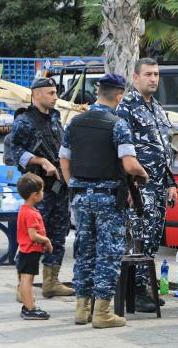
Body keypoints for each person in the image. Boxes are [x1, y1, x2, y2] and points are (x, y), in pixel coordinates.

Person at [59, 74, 149, 328]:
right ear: (119, 97)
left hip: (80, 197)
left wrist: (72, 184)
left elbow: (64, 158)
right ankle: (102, 313)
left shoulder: (74, 122)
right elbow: (130, 164)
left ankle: (81, 309)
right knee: (108, 254)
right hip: (108, 199)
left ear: (99, 93)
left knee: (85, 251)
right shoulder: (117, 124)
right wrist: (144, 173)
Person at [116, 58, 177, 313]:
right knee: (138, 239)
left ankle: (145, 287)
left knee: (152, 238)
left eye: (156, 74)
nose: (153, 79)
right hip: (139, 189)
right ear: (135, 77)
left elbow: (165, 150)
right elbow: (121, 151)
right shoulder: (126, 108)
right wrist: (129, 187)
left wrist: (171, 182)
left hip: (158, 187)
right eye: (148, 74)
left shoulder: (159, 109)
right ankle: (137, 291)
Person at [10, 77, 74, 298]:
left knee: (57, 235)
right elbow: (13, 152)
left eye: (55, 92)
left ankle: (51, 281)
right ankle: (24, 284)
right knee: (33, 238)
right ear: (36, 95)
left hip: (59, 188)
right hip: (38, 191)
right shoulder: (25, 121)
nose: (55, 97)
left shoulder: (56, 118)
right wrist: (40, 161)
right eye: (51, 93)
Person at [16, 173, 53, 320]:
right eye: (42, 191)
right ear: (35, 195)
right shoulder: (31, 214)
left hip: (25, 250)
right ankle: (29, 308)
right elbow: (33, 236)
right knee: (28, 280)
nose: (43, 193)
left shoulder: (24, 209)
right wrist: (46, 240)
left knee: (26, 279)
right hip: (30, 250)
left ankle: (28, 305)